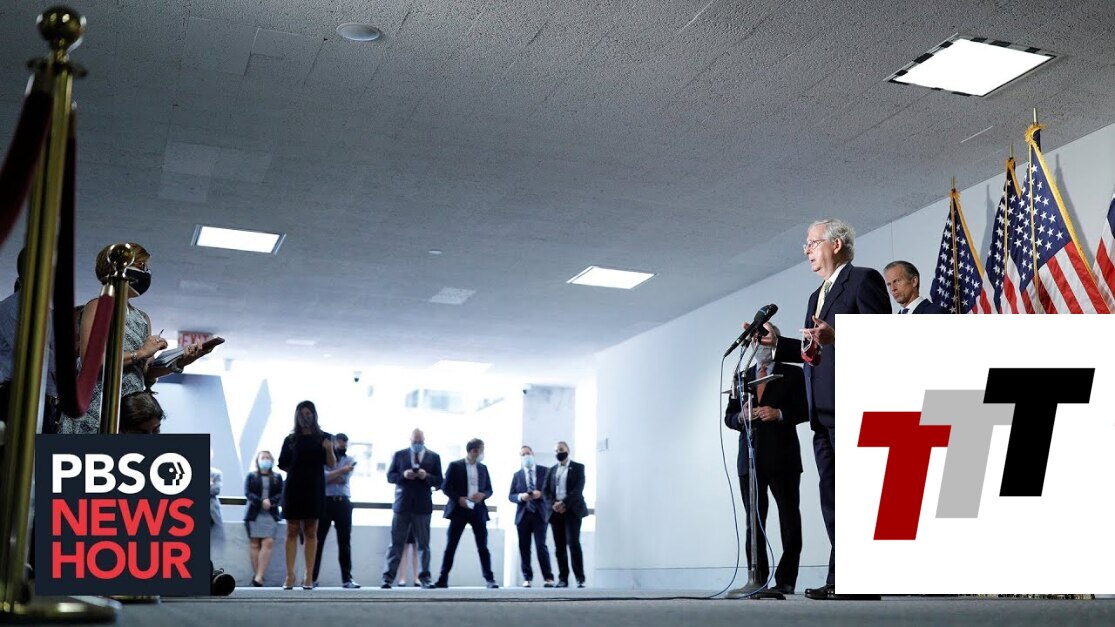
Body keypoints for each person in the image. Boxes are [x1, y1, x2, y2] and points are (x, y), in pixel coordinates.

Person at [756, 218, 889, 601]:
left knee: (854, 497)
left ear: (836, 244)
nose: (806, 250)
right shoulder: (816, 296)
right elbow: (810, 350)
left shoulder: (863, 280)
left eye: (812, 243)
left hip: (853, 407)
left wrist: (840, 336)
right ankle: (841, 578)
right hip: (821, 413)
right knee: (832, 498)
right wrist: (778, 343)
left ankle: (859, 579)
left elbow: (884, 340)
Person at [61, 243, 216, 434]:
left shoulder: (143, 318)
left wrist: (181, 361)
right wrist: (141, 352)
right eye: (141, 266)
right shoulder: (98, 306)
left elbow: (146, 371)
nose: (146, 272)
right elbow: (91, 361)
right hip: (96, 408)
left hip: (132, 414)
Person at [724, 323, 808, 597]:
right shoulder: (741, 376)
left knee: (789, 518)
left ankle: (785, 580)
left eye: (764, 337)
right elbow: (729, 417)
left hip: (783, 457)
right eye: (755, 339)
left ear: (776, 340)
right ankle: (756, 578)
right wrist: (741, 417)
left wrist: (779, 413)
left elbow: (806, 409)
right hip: (749, 459)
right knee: (753, 519)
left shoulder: (794, 373)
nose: (759, 343)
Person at [277, 400, 336, 590]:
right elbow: (283, 463)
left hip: (314, 488)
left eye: (308, 413)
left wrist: (328, 449)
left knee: (311, 531)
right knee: (291, 530)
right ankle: (290, 576)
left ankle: (308, 576)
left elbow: (332, 465)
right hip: (294, 487)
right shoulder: (290, 439)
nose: (305, 417)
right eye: (302, 414)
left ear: (314, 415)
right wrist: (299, 473)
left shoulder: (325, 438)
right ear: (297, 416)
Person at [0, 248, 59, 436]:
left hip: (43, 401)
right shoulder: (11, 308)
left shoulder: (47, 312)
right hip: (18, 399)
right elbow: (34, 355)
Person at [381, 428, 442, 589]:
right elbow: (390, 476)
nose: (417, 444)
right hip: (402, 505)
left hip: (423, 506)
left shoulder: (434, 457)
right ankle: (387, 578)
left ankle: (425, 579)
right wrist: (404, 475)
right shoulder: (399, 455)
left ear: (424, 441)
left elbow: (440, 481)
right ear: (410, 440)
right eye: (415, 442)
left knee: (423, 545)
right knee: (396, 544)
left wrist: (426, 476)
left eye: (420, 442)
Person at [435, 438, 497, 589]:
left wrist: (483, 495)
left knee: (483, 546)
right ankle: (443, 578)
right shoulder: (455, 466)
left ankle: (490, 579)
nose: (482, 453)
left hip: (478, 510)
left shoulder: (483, 468)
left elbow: (489, 489)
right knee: (451, 545)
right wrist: (458, 499)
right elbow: (445, 487)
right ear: (473, 451)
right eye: (481, 450)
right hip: (459, 510)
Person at [312, 433, 360, 589]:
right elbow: (323, 478)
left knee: (344, 542)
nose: (341, 447)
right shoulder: (323, 459)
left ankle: (347, 579)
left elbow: (343, 480)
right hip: (325, 502)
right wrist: (342, 470)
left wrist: (336, 474)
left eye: (344, 445)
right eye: (339, 444)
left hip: (343, 503)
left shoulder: (350, 459)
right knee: (318, 541)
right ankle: (311, 578)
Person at [542, 441, 588, 588]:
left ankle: (580, 578)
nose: (558, 453)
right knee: (559, 547)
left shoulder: (578, 467)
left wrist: (564, 503)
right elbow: (545, 491)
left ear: (568, 450)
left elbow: (578, 489)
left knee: (573, 543)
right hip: (556, 513)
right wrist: (554, 504)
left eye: (561, 450)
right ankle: (563, 579)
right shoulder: (551, 470)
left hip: (572, 511)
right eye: (556, 451)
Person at [509, 445, 554, 587]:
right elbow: (511, 495)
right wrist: (521, 497)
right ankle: (527, 578)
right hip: (523, 516)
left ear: (533, 454)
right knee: (524, 548)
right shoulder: (517, 475)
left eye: (527, 453)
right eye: (523, 455)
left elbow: (551, 492)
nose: (526, 456)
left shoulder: (545, 471)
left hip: (540, 515)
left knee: (541, 546)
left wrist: (540, 494)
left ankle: (548, 578)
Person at [244, 450, 283, 587]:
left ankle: (259, 575)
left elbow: (281, 493)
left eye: (267, 458)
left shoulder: (277, 477)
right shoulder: (251, 476)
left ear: (271, 461)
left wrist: (270, 502)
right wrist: (261, 502)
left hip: (270, 514)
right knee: (254, 543)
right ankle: (258, 577)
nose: (265, 460)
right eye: (263, 457)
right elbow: (248, 493)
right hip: (254, 514)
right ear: (258, 460)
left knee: (268, 542)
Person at [883, 260, 948, 314]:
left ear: (914, 281)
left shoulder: (936, 313)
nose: (893, 288)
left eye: (897, 281)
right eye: (889, 284)